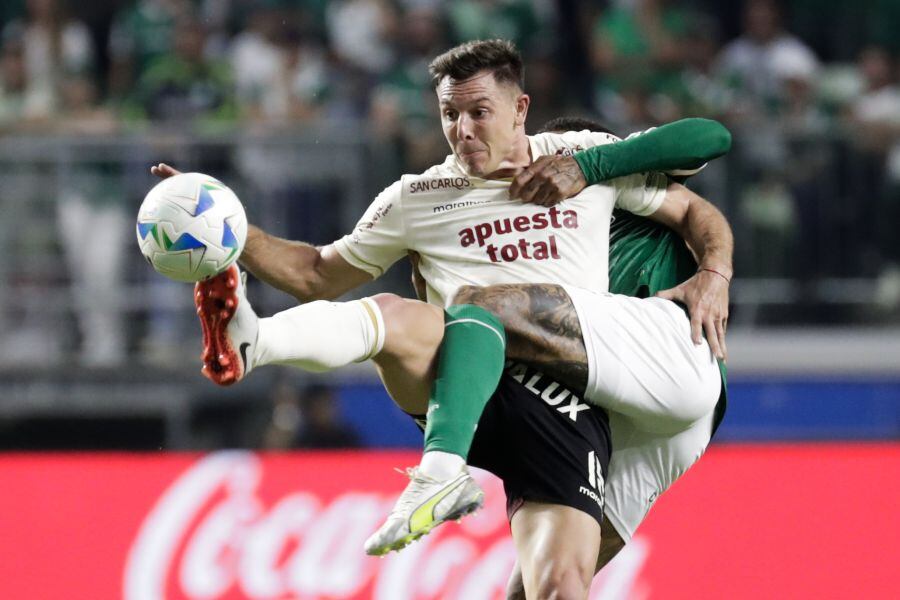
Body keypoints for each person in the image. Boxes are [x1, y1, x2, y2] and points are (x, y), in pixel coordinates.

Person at [153, 39, 732, 598]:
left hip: (568, 404)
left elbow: (707, 152)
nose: (463, 129)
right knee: (395, 315)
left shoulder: (573, 159)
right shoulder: (415, 197)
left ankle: (441, 471)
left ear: (521, 109)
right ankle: (253, 342)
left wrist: (591, 168)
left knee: (552, 588)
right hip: (473, 390)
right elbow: (315, 272)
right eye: (450, 114)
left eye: (480, 112)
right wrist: (229, 229)